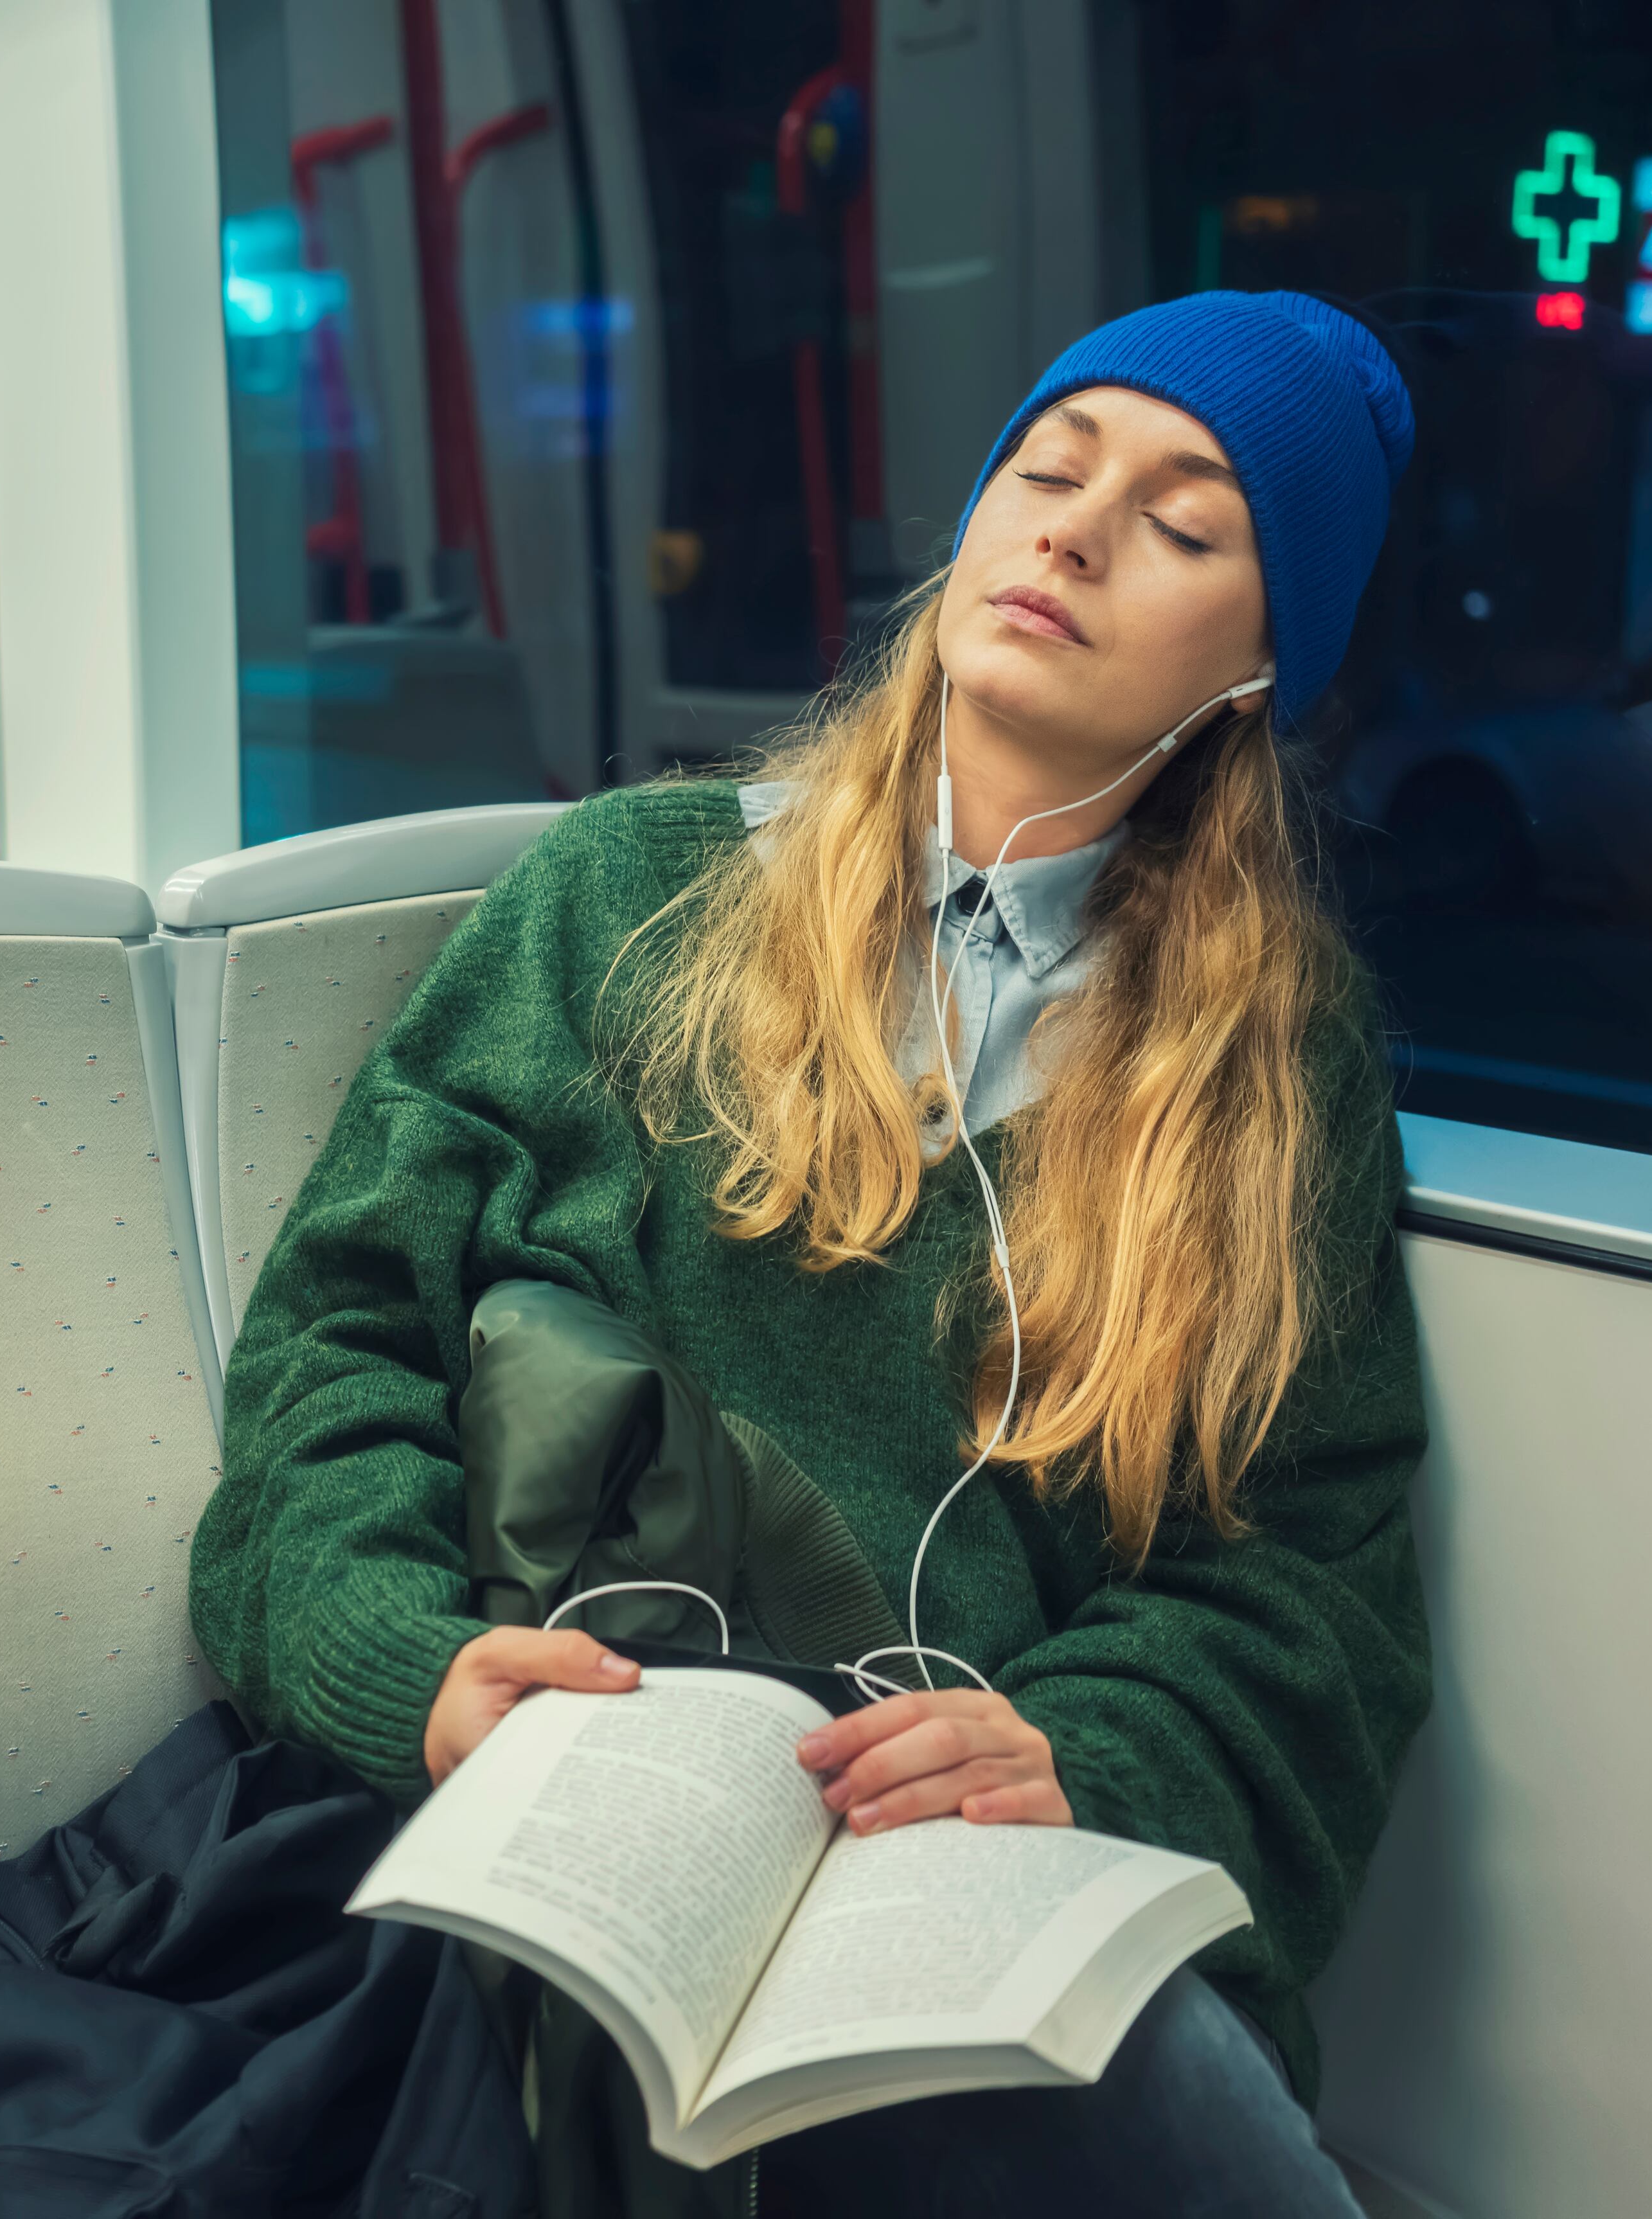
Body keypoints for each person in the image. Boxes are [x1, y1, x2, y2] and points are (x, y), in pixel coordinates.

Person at [188, 290, 1431, 2216]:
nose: (1075, 536)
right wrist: (407, 1667)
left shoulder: (1271, 1086)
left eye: (1186, 527)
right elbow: (334, 1346)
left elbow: (1309, 1580)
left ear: (1260, 666)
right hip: (557, 1814)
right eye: (1048, 466)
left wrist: (1077, 1754)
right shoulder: (626, 896)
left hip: (949, 1892)